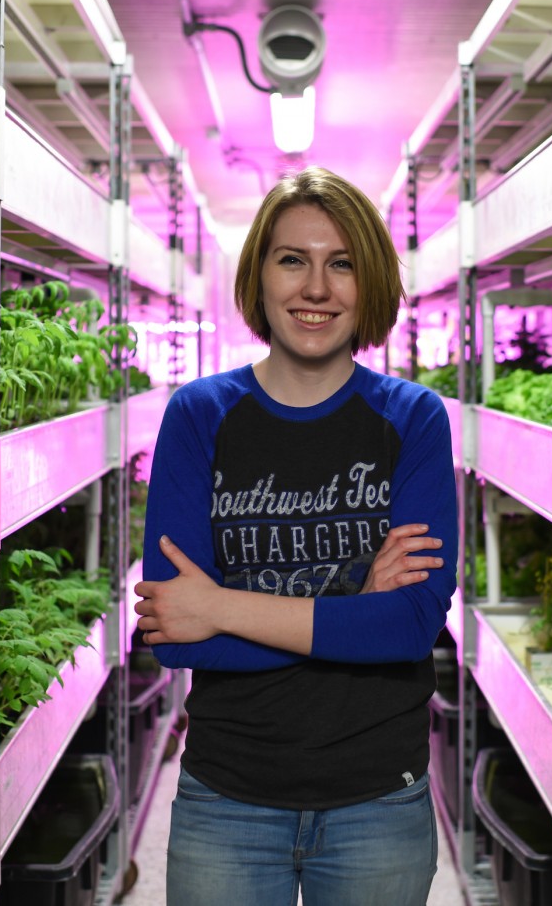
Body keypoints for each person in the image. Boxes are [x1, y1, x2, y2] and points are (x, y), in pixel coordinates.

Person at [133, 165, 459, 906]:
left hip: (378, 798)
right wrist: (354, 602)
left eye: (340, 262)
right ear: (260, 276)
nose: (316, 287)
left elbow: (408, 628)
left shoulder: (414, 420)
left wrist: (220, 604)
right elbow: (177, 636)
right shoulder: (198, 415)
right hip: (229, 797)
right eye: (293, 260)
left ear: (367, 282)